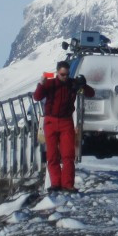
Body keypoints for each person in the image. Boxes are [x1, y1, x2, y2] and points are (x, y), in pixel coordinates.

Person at [34, 61, 95, 193]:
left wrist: (83, 84)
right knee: (52, 155)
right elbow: (37, 97)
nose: (65, 77)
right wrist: (41, 84)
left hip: (66, 122)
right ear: (57, 73)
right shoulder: (50, 84)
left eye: (67, 74)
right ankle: (55, 183)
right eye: (62, 74)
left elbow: (91, 93)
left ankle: (67, 184)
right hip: (50, 121)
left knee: (68, 155)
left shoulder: (73, 84)